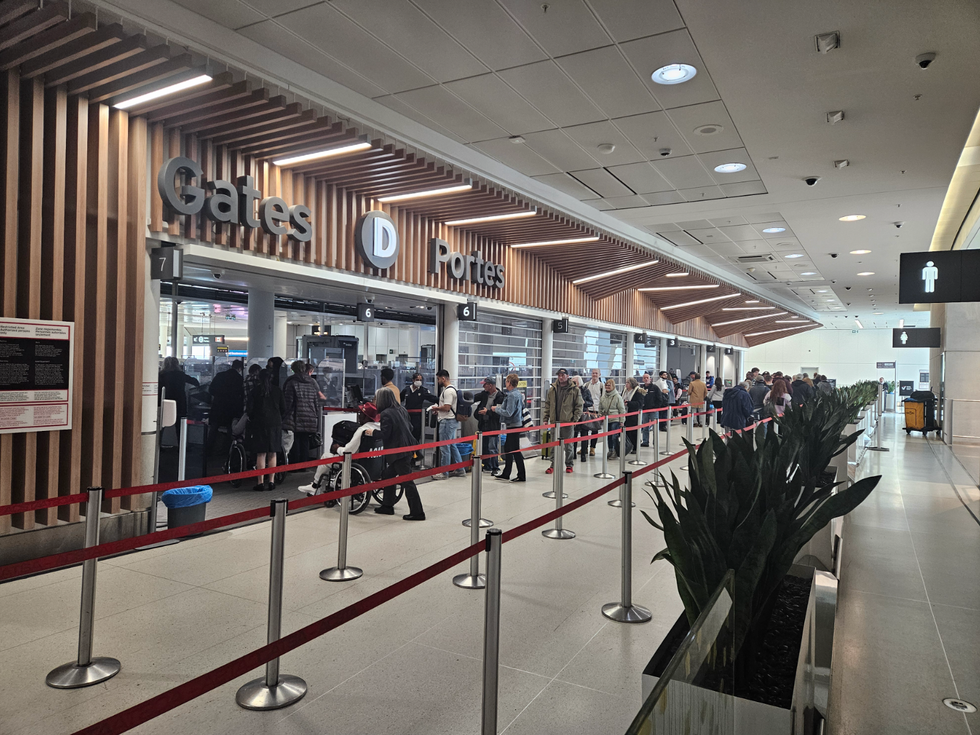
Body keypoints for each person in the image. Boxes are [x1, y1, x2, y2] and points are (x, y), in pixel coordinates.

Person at [299, 402, 380, 496]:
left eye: (361, 413)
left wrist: (337, 448)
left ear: (366, 417)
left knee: (326, 456)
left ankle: (315, 486)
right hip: (373, 463)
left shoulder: (361, 430)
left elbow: (347, 452)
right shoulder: (378, 428)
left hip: (354, 462)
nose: (359, 415)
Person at [369, 388, 425, 521]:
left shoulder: (386, 414)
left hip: (398, 451)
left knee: (407, 482)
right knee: (388, 476)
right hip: (407, 448)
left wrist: (372, 433)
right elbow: (410, 428)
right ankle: (387, 506)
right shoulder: (401, 409)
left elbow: (385, 434)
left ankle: (418, 512)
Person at [245, 368, 285, 492]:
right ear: (271, 377)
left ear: (259, 378)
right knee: (273, 453)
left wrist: (253, 418)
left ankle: (260, 482)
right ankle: (271, 481)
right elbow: (284, 408)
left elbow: (249, 409)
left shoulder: (255, 391)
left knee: (261, 454)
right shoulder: (277, 390)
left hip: (259, 424)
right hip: (275, 423)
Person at [543, 368, 583, 474]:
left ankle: (569, 464)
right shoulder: (553, 389)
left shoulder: (574, 390)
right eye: (559, 375)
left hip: (567, 422)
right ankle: (553, 464)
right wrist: (545, 418)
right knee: (553, 444)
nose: (560, 377)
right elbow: (548, 404)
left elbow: (579, 406)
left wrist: (574, 420)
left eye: (562, 375)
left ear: (567, 376)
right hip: (554, 422)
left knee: (568, 445)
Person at [282, 360, 322, 467]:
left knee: (295, 441)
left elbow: (288, 401)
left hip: (295, 416)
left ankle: (295, 465)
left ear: (293, 369)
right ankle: (304, 464)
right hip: (310, 415)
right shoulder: (312, 382)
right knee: (305, 440)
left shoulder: (291, 382)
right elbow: (316, 401)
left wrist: (284, 414)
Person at [428, 369, 465, 480]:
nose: (438, 381)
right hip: (450, 420)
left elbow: (447, 407)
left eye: (438, 379)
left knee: (445, 447)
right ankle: (460, 469)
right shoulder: (453, 389)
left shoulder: (448, 391)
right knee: (452, 445)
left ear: (443, 378)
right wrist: (438, 410)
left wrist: (436, 408)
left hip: (447, 421)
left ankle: (444, 473)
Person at [492, 373, 526, 483]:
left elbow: (509, 412)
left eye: (506, 381)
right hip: (515, 424)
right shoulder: (517, 394)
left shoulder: (512, 395)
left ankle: (521, 475)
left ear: (509, 383)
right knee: (509, 449)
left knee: (515, 450)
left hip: (513, 425)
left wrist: (495, 409)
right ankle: (507, 473)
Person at [207, 360, 244, 453]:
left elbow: (211, 390)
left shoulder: (220, 375)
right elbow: (241, 395)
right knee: (230, 429)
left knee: (213, 429)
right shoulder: (239, 379)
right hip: (231, 408)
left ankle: (208, 450)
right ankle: (226, 451)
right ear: (240, 369)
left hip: (218, 406)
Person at [402, 372, 437, 463]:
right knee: (406, 438)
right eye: (417, 380)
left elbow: (433, 398)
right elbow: (399, 400)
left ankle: (414, 459)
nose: (419, 382)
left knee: (416, 437)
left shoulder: (423, 391)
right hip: (407, 417)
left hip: (417, 418)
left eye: (420, 380)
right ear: (413, 380)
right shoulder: (406, 390)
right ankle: (406, 458)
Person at [474, 377, 504, 475]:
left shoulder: (500, 397)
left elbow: (499, 412)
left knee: (492, 447)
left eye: (485, 384)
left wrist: (488, 412)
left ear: (490, 385)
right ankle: (486, 465)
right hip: (483, 424)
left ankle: (495, 467)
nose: (483, 386)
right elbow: (473, 398)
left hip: (493, 425)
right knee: (484, 446)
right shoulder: (484, 395)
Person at [158, 356, 200, 420]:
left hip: (164, 400)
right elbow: (195, 382)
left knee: (163, 421)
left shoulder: (161, 375)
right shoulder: (180, 375)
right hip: (179, 401)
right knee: (179, 422)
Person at [598, 378, 627, 458]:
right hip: (606, 420)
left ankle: (614, 451)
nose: (607, 386)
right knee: (608, 436)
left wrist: (622, 421)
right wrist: (600, 414)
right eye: (606, 385)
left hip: (615, 420)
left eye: (609, 385)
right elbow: (600, 407)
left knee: (614, 436)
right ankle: (610, 450)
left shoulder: (617, 397)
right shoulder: (603, 397)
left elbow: (622, 409)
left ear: (613, 386)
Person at [571, 375, 594, 462]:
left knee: (584, 436)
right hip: (574, 415)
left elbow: (590, 403)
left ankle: (584, 454)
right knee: (574, 436)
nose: (573, 384)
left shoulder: (585, 391)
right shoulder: (571, 390)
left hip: (583, 415)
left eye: (575, 382)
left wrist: (584, 402)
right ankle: (573, 454)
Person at [640, 372, 666, 446]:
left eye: (647, 378)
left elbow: (660, 398)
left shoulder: (655, 388)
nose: (646, 379)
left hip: (653, 410)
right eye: (644, 378)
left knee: (655, 427)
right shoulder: (641, 388)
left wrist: (656, 407)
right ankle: (645, 441)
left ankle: (656, 441)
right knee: (645, 427)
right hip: (645, 410)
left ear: (650, 379)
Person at [583, 368, 604, 455]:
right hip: (587, 410)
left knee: (594, 430)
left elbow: (603, 399)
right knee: (585, 430)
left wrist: (602, 411)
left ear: (599, 374)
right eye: (593, 373)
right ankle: (585, 447)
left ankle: (593, 448)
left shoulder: (602, 386)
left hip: (597, 411)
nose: (594, 375)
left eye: (596, 373)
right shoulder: (587, 385)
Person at [622, 376, 644, 456]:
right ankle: (628, 446)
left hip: (633, 414)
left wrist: (629, 403)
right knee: (627, 432)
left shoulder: (638, 392)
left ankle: (635, 447)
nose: (626, 384)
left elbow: (639, 403)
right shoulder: (624, 391)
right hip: (624, 413)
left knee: (634, 432)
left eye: (628, 382)